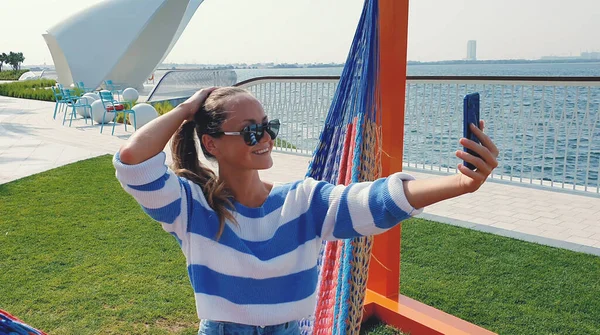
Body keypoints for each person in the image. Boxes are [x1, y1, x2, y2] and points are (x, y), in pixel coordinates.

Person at [113, 87, 499, 335]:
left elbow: (374, 202)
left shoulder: (302, 201)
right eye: (250, 131)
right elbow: (133, 161)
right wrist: (185, 109)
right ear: (211, 144)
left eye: (268, 126)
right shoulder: (191, 207)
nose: (265, 138)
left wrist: (461, 184)